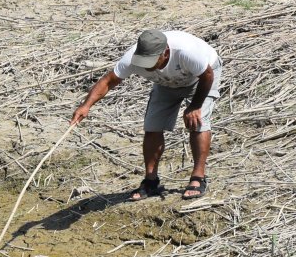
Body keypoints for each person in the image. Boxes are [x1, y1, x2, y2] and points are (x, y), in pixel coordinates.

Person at [71, 29, 222, 200]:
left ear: (165, 53)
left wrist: (195, 106)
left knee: (198, 123)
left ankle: (198, 178)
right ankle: (151, 181)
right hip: (166, 82)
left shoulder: (187, 52)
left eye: (151, 61)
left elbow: (207, 75)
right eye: (143, 61)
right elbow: (108, 81)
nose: (146, 65)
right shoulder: (132, 58)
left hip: (201, 78)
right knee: (152, 127)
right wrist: (86, 106)